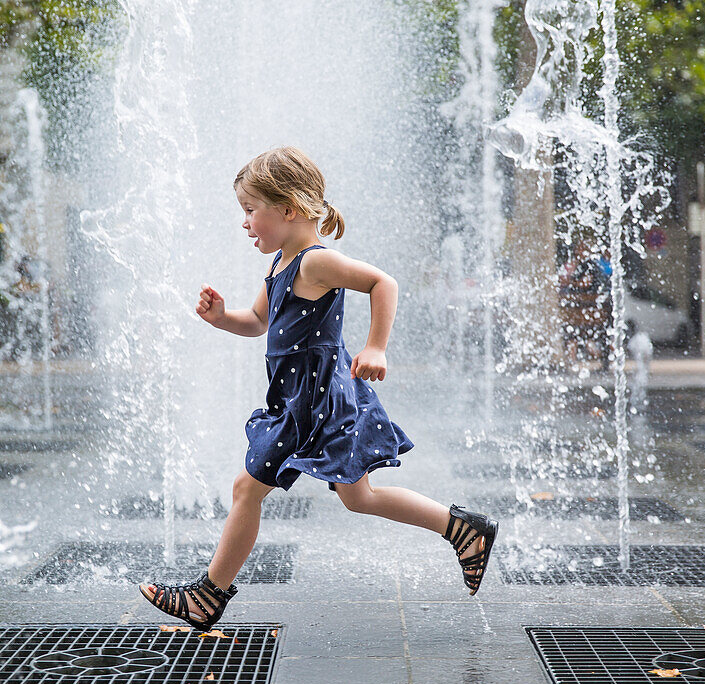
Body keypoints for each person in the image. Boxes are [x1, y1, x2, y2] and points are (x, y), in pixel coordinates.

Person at [138, 147, 499, 629]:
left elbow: (382, 283)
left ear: (287, 209)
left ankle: (208, 595)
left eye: (250, 211)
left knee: (247, 488)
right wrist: (223, 318)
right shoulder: (279, 265)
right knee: (359, 497)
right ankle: (463, 529)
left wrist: (375, 347)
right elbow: (258, 321)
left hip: (315, 399)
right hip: (296, 396)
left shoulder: (314, 262)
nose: (245, 223)